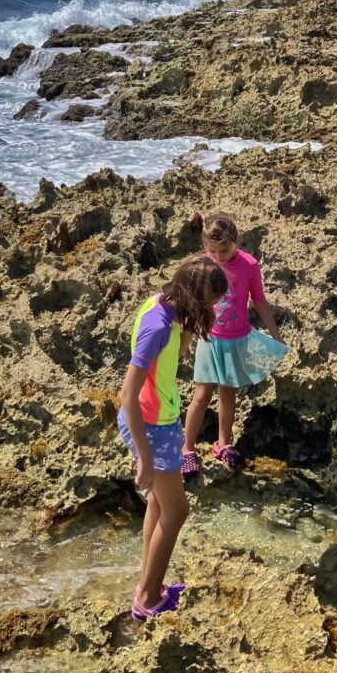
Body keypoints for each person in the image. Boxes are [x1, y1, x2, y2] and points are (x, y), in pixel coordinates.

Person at [118, 254, 228, 621]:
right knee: (178, 510)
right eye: (209, 303)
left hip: (161, 421)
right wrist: (144, 457)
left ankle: (147, 585)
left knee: (159, 504)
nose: (210, 310)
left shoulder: (165, 305)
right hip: (150, 427)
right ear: (195, 296)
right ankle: (148, 599)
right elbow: (126, 396)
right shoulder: (158, 325)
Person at [181, 213, 286, 479]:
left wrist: (275, 334)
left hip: (237, 339)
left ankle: (224, 443)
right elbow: (194, 303)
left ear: (236, 241)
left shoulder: (249, 265)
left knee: (228, 393)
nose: (219, 257)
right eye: (212, 251)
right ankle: (186, 449)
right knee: (202, 396)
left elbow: (259, 301)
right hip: (209, 338)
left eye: (224, 250)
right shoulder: (205, 263)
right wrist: (189, 337)